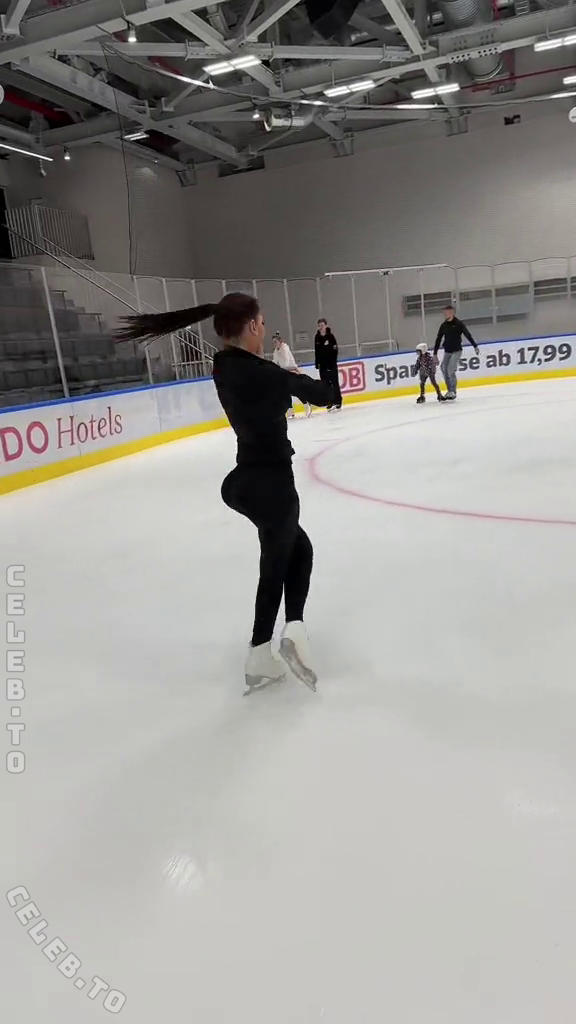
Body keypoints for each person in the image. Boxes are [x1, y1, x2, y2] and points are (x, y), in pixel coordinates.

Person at [116, 293, 333, 695]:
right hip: (272, 484)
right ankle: (266, 648)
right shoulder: (264, 373)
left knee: (297, 549)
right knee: (277, 562)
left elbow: (272, 382)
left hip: (245, 480)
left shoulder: (223, 365)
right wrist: (315, 379)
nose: (264, 329)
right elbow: (323, 394)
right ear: (251, 326)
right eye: (262, 323)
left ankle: (291, 631)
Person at [433, 305, 479, 400]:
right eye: (444, 313)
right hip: (447, 351)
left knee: (450, 369)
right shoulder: (443, 325)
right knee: (443, 369)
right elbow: (438, 339)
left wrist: (475, 346)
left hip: (457, 350)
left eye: (447, 312)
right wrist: (435, 354)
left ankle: (453, 391)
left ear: (451, 312)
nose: (445, 314)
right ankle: (449, 390)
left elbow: (467, 335)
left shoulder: (458, 324)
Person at [272, 332, 311, 418]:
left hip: (292, 371)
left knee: (296, 391)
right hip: (284, 372)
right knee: (285, 392)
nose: (274, 344)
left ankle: (306, 404)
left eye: (275, 342)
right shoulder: (276, 351)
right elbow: (275, 361)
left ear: (280, 342)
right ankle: (290, 410)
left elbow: (286, 362)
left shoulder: (285, 348)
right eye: (273, 342)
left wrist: (278, 368)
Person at [315, 318, 342, 411]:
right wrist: (317, 363)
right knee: (325, 385)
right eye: (319, 326)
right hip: (322, 366)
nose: (321, 327)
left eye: (322, 325)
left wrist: (333, 362)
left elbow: (335, 350)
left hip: (331, 365)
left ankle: (337, 401)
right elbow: (316, 351)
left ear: (326, 326)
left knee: (334, 383)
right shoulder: (317, 337)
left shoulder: (330, 337)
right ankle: (329, 401)